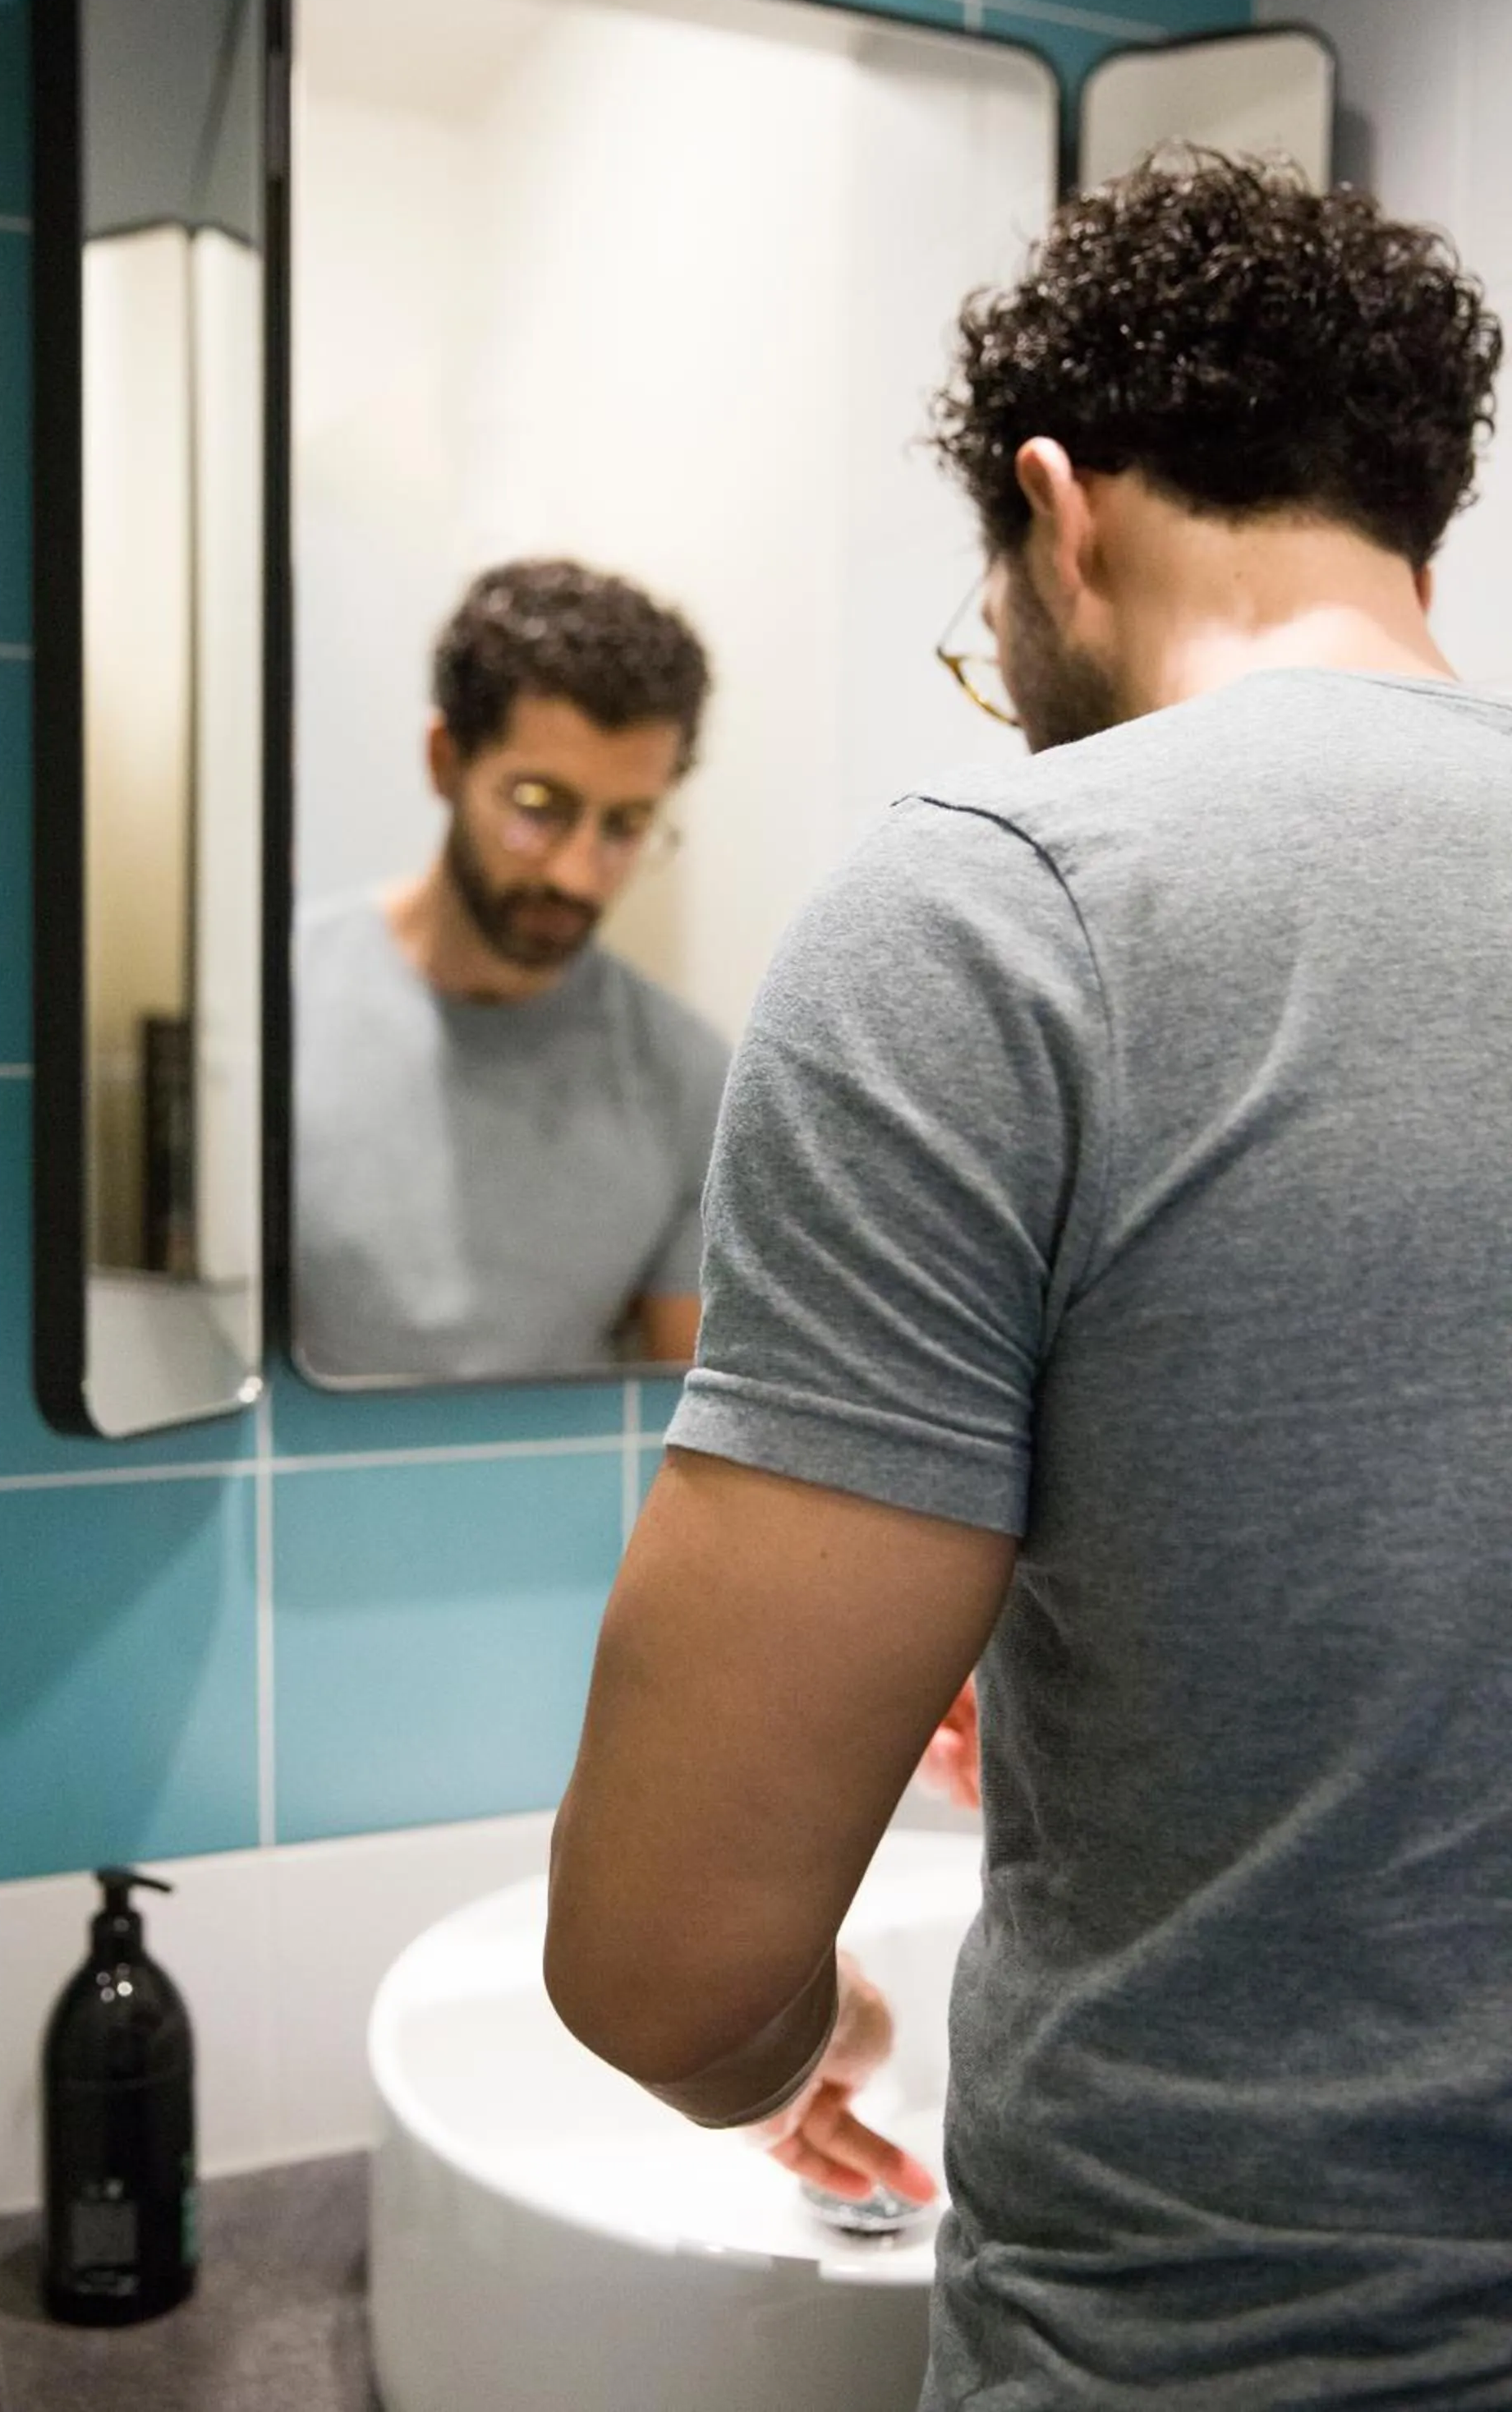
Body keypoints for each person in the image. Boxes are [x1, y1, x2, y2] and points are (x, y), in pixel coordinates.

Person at [543, 149, 1512, 2405]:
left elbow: (665, 1971)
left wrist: (813, 2021)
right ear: (1411, 527)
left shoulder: (994, 921)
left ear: (1056, 512)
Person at [292, 558, 728, 1381]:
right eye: (538, 807)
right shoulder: (273, 1013)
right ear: (444, 761)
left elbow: (684, 1430)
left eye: (624, 825)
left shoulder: (686, 1080)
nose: (575, 872)